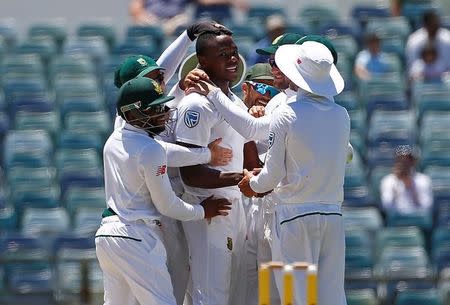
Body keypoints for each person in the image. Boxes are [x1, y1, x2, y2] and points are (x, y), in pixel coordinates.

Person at [95, 76, 232, 305]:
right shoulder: (149, 150)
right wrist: (201, 210)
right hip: (138, 236)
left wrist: (207, 155)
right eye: (154, 109)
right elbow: (166, 205)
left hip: (107, 236)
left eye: (162, 106)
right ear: (132, 114)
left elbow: (165, 150)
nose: (163, 113)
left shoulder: (115, 139)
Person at [237, 40, 349, 305]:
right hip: (332, 215)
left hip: (293, 217)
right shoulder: (342, 114)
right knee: (331, 296)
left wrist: (251, 183)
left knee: (295, 297)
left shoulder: (286, 113)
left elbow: (272, 175)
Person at [174, 29, 250, 305]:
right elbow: (190, 171)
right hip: (209, 209)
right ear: (202, 62)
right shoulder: (196, 105)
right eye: (222, 55)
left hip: (233, 205)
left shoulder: (235, 102)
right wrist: (241, 178)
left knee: (227, 293)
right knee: (210, 293)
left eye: (233, 52)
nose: (232, 59)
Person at [380, 145, 433, 215]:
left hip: (417, 218)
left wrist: (412, 186)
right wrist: (396, 182)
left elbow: (426, 206)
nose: (403, 163)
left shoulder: (423, 180)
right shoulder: (388, 180)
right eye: (400, 159)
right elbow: (386, 206)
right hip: (397, 219)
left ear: (413, 162)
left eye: (407, 160)